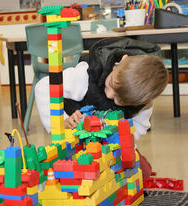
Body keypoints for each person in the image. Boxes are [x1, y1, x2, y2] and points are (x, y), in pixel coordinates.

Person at [35, 38, 168, 178]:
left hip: (108, 142)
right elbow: (43, 87)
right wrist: (61, 122)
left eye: (119, 100)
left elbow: (139, 126)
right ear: (122, 61)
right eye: (110, 83)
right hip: (75, 131)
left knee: (141, 173)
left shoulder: (143, 102)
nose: (109, 94)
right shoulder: (85, 75)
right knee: (70, 174)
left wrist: (120, 143)